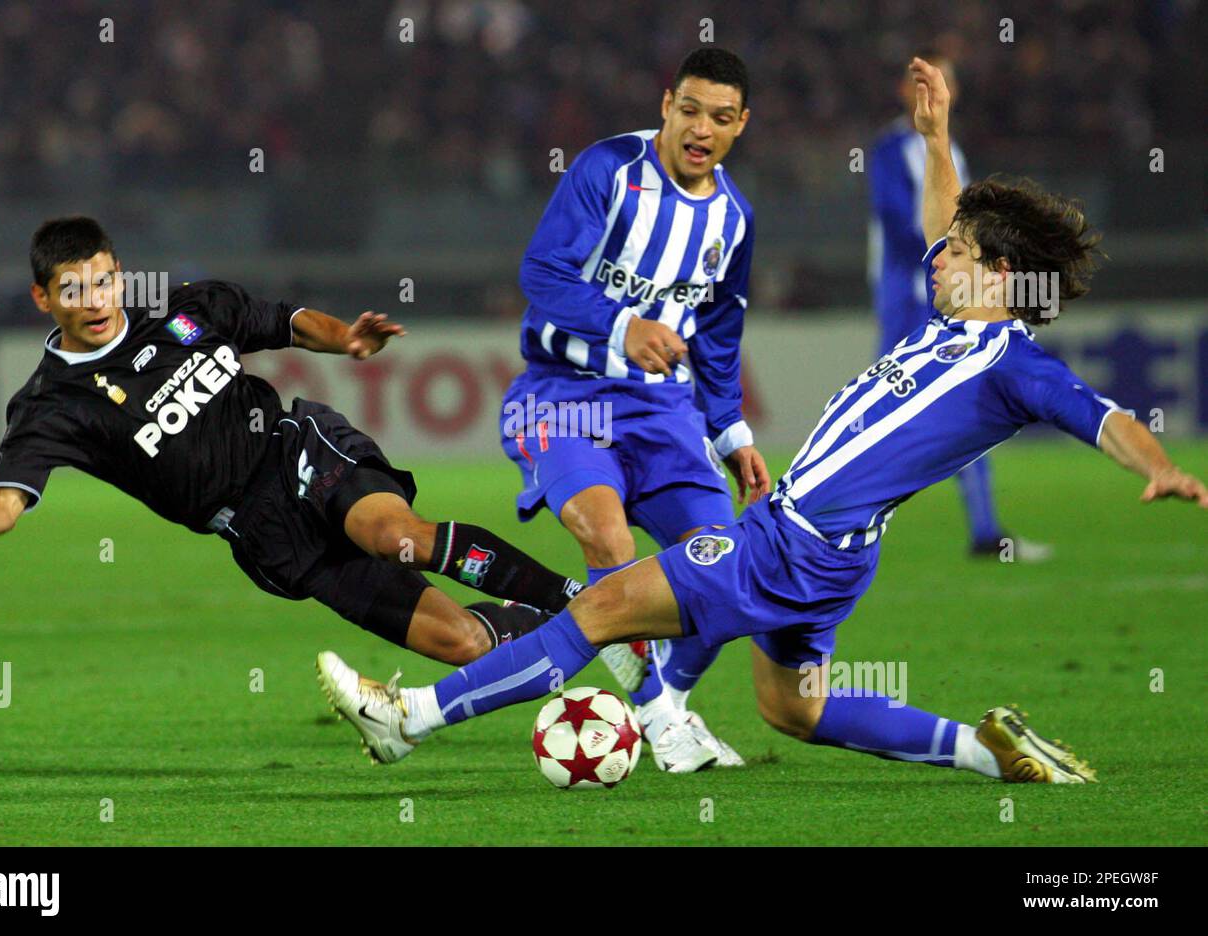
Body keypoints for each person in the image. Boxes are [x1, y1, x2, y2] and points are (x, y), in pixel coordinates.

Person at [316, 58, 1207, 783]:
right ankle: (987, 752)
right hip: (829, 552)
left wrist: (1154, 464)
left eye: (961, 256)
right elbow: (944, 217)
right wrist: (937, 140)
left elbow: (1103, 416)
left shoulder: (1014, 364)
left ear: (1002, 277)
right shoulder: (951, 317)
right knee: (795, 708)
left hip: (796, 544)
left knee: (605, 606)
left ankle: (410, 719)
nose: (938, 261)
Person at [0, 216, 585, 667]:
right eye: (73, 290)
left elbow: (283, 322)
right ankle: (575, 630)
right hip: (263, 535)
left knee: (393, 535)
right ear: (44, 298)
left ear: (119, 274)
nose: (94, 301)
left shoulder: (186, 310)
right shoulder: (51, 403)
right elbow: (9, 498)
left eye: (102, 281)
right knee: (463, 641)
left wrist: (346, 337)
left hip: (296, 448)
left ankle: (574, 599)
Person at [498, 47, 769, 772]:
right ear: (665, 106)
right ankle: (657, 717)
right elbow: (542, 271)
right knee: (608, 539)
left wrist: (732, 430)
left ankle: (668, 705)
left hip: (664, 414)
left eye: (718, 117)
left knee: (724, 573)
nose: (700, 129)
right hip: (564, 396)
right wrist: (624, 327)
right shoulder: (607, 171)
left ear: (740, 124)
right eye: (688, 110)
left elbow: (717, 334)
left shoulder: (734, 220)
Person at [868, 51, 1049, 560]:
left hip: (951, 294)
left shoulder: (950, 150)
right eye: (923, 80)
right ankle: (841, 519)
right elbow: (899, 221)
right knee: (898, 408)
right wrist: (955, 258)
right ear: (905, 90)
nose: (932, 89)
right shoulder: (891, 150)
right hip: (912, 299)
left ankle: (985, 529)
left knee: (966, 400)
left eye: (944, 79)